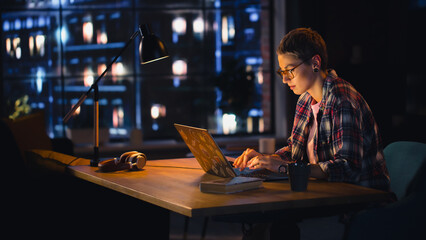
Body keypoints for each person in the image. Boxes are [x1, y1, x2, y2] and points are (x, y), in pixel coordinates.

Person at [233, 27, 390, 191]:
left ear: (315, 63)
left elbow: (347, 169)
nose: (285, 79)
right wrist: (267, 159)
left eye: (290, 70)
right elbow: (295, 151)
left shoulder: (341, 100)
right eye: (282, 72)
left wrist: (284, 168)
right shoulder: (305, 100)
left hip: (361, 199)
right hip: (326, 194)